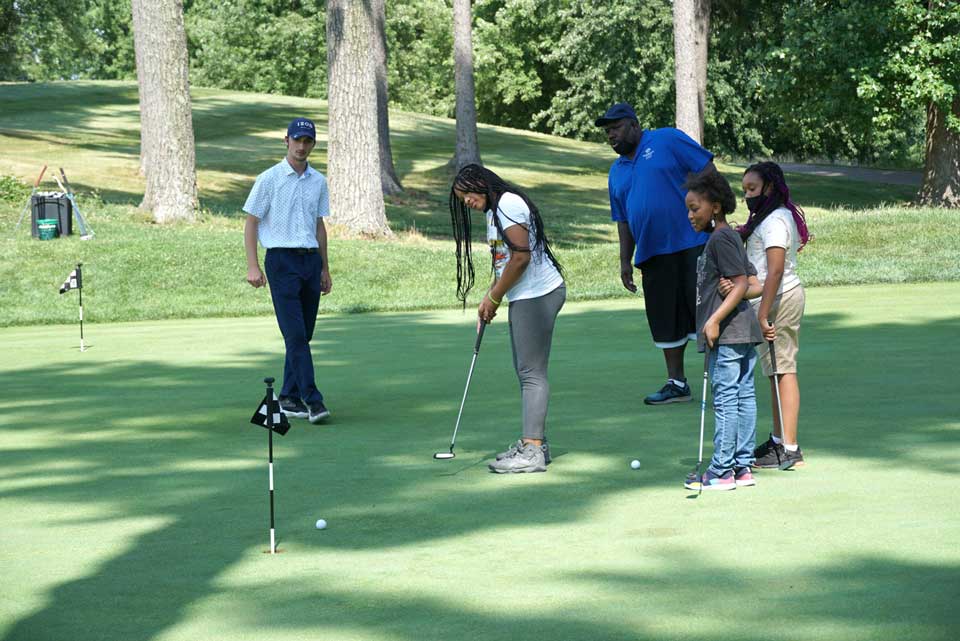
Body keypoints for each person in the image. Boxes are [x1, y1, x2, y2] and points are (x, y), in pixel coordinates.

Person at [596, 102, 716, 405]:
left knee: (706, 314)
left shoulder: (666, 140)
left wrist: (717, 218)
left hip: (692, 243)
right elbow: (623, 219)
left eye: (616, 128)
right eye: (607, 132)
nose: (611, 135)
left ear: (634, 125)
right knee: (666, 321)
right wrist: (625, 259)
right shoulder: (616, 172)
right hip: (652, 254)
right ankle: (676, 383)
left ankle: (720, 381)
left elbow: (707, 170)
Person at [450, 164, 566, 474]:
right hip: (525, 295)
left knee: (531, 372)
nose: (467, 204)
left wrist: (495, 296)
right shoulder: (494, 212)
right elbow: (504, 264)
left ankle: (532, 452)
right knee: (527, 371)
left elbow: (521, 258)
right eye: (462, 200)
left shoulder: (508, 204)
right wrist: (489, 298)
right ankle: (535, 443)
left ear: (480, 184)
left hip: (538, 294)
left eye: (467, 196)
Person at [721, 162, 810, 469]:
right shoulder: (768, 217)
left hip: (780, 299)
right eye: (744, 189)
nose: (747, 195)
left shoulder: (776, 221)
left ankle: (790, 449)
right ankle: (778, 440)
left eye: (752, 189)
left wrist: (761, 314)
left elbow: (774, 271)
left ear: (769, 187)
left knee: (783, 369)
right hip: (771, 299)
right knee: (774, 371)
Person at [243, 117, 332, 424]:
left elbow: (319, 226)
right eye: (297, 140)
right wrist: (253, 265)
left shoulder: (319, 181)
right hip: (281, 261)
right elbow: (252, 222)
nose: (302, 146)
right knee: (295, 335)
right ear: (286, 141)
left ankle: (289, 398)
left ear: (313, 145)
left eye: (308, 141)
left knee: (303, 334)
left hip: (310, 262)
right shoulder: (268, 179)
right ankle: (313, 399)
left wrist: (325, 268)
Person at [682, 168, 766, 491]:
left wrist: (714, 318)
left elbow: (747, 282)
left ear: (715, 206)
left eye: (695, 208)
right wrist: (736, 288)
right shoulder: (728, 238)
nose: (690, 215)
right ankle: (742, 466)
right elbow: (752, 285)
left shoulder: (721, 238)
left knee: (727, 396)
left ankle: (721, 469)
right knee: (743, 394)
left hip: (730, 333)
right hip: (743, 331)